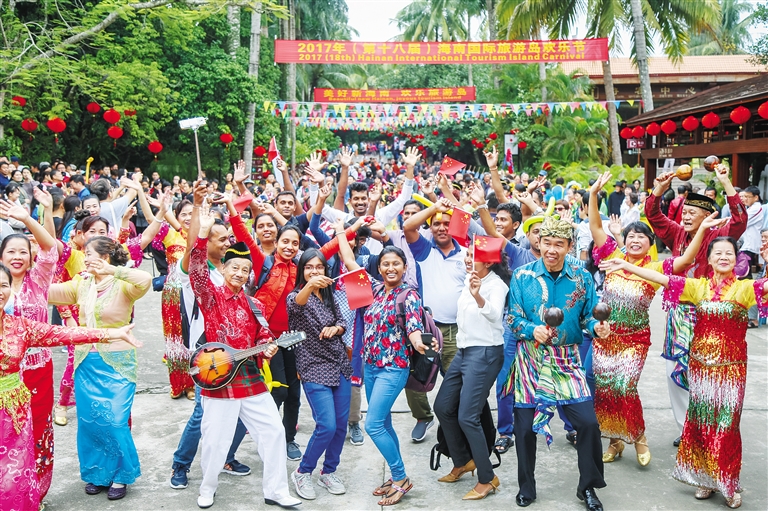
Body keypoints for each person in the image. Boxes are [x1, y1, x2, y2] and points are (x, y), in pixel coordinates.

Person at [600, 237, 768, 509]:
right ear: (709, 259)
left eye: (729, 253)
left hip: (731, 372)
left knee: (726, 425)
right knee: (701, 423)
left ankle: (727, 481)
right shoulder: (698, 287)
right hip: (700, 369)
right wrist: (627, 266)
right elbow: (661, 278)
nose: (723, 257)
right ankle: (705, 479)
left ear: (736, 260)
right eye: (718, 253)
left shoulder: (744, 289)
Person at [587, 171, 725, 467]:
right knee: (607, 390)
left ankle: (639, 438)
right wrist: (594, 194)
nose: (635, 240)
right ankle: (614, 441)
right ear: (623, 240)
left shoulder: (654, 268)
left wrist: (702, 231)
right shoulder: (611, 256)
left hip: (634, 339)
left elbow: (686, 260)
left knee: (625, 388)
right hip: (606, 336)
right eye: (631, 236)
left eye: (642, 237)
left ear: (650, 243)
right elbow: (595, 225)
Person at [0, 262, 139, 511]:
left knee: (15, 471)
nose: (0, 292)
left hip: (14, 411)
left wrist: (112, 334)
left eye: (3, 285)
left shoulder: (19, 327)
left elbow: (63, 334)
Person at [188, 203, 300, 510]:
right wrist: (201, 234)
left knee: (274, 432)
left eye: (245, 270)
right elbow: (196, 270)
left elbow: (264, 336)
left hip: (249, 376)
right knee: (215, 440)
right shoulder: (210, 297)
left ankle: (276, 490)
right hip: (218, 375)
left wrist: (269, 346)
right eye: (234, 268)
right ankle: (208, 487)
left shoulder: (255, 305)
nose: (239, 273)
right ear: (224, 269)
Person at [507, 215, 609, 511]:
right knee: (524, 429)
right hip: (531, 358)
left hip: (567, 359)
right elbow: (513, 318)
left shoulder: (581, 277)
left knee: (588, 424)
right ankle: (526, 486)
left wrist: (597, 327)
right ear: (538, 242)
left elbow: (589, 316)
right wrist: (531, 329)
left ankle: (588, 486)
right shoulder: (522, 275)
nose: (552, 249)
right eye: (547, 243)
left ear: (569, 246)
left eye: (559, 244)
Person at [645, 165, 747, 446]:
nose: (686, 216)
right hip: (679, 312)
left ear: (707, 216)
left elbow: (740, 220)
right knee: (674, 368)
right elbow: (653, 215)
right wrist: (660, 188)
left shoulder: (718, 236)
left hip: (708, 313)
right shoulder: (676, 233)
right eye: (685, 212)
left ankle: (707, 427)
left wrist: (726, 182)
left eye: (693, 213)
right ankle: (686, 429)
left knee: (706, 371)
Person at [48, 236, 151, 500]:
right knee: (90, 423)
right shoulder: (81, 284)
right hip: (86, 362)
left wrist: (113, 270)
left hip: (118, 363)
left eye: (88, 254)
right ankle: (97, 474)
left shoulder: (123, 284)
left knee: (115, 421)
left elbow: (145, 280)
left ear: (104, 257)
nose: (84, 259)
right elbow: (49, 292)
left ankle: (122, 475)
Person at [170, 181, 252, 490]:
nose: (228, 241)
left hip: (238, 354)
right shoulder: (196, 272)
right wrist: (197, 208)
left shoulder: (233, 270)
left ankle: (226, 457)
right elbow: (193, 246)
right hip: (208, 355)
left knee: (242, 411)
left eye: (228, 236)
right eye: (221, 238)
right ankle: (180, 464)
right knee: (201, 415)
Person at [341, 239, 433, 506]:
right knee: (384, 423)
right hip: (371, 366)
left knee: (373, 425)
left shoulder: (409, 295)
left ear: (404, 267)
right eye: (385, 264)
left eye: (396, 264)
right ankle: (396, 476)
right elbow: (349, 261)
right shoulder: (374, 288)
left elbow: (414, 329)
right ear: (379, 268)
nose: (391, 268)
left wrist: (419, 343)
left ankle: (401, 478)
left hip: (393, 368)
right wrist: (340, 231)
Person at [434, 240, 510, 500]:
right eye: (466, 254)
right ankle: (463, 461)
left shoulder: (496, 285)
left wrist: (478, 295)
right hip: (464, 350)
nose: (467, 259)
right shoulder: (469, 278)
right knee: (443, 406)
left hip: (485, 353)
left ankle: (487, 478)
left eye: (472, 256)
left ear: (488, 262)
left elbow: (495, 314)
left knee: (468, 416)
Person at [0, 191, 60, 502]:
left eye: (23, 251)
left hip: (37, 370)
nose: (17, 256)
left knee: (38, 428)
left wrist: (28, 219)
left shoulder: (38, 280)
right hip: (4, 376)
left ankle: (36, 492)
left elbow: (51, 248)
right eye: (10, 251)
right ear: (1, 257)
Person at [286, 249, 351, 500]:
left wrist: (336, 329)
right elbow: (297, 304)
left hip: (339, 364)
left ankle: (329, 471)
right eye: (309, 267)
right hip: (313, 366)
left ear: (326, 269)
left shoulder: (329, 295)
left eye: (319, 267)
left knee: (341, 426)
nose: (315, 271)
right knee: (327, 425)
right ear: (302, 271)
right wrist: (311, 284)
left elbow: (342, 321)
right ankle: (303, 472)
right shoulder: (296, 296)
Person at [402, 197, 467, 442]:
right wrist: (435, 208)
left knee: (456, 380)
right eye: (436, 224)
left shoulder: (466, 255)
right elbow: (408, 226)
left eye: (447, 223)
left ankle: (453, 420)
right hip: (427, 328)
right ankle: (423, 417)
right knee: (418, 377)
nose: (441, 228)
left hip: (457, 330)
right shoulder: (424, 251)